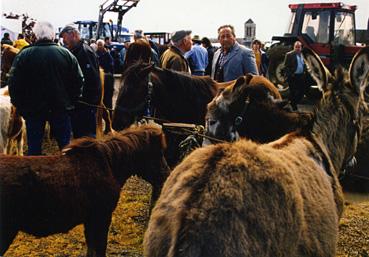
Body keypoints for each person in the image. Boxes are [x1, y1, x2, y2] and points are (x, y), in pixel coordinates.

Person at [8, 21, 84, 155]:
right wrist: (71, 102)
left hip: (33, 111)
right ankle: (66, 174)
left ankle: (34, 174)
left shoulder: (24, 55)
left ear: (36, 35)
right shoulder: (66, 54)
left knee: (33, 150)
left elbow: (13, 84)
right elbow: (78, 81)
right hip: (60, 109)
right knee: (65, 149)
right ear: (53, 34)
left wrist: (20, 106)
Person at [60, 25, 102, 138]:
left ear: (73, 35)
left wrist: (86, 102)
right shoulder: (76, 51)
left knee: (87, 138)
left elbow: (92, 81)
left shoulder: (85, 52)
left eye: (64, 37)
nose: (63, 41)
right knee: (79, 136)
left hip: (85, 105)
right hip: (79, 104)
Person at [283, 41, 309, 111]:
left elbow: (305, 65)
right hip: (293, 76)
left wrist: (305, 72)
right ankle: (294, 106)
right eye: (296, 47)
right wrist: (290, 74)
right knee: (293, 92)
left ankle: (291, 102)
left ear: (301, 47)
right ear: (294, 47)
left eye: (299, 47)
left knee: (301, 92)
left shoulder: (303, 55)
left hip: (301, 76)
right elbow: (286, 66)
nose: (297, 48)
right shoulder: (289, 55)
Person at [96, 39, 115, 133]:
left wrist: (104, 74)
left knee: (108, 104)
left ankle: (109, 126)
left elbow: (111, 69)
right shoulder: (95, 54)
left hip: (107, 83)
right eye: (98, 45)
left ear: (103, 46)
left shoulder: (108, 56)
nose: (99, 47)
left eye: (100, 45)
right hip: (99, 82)